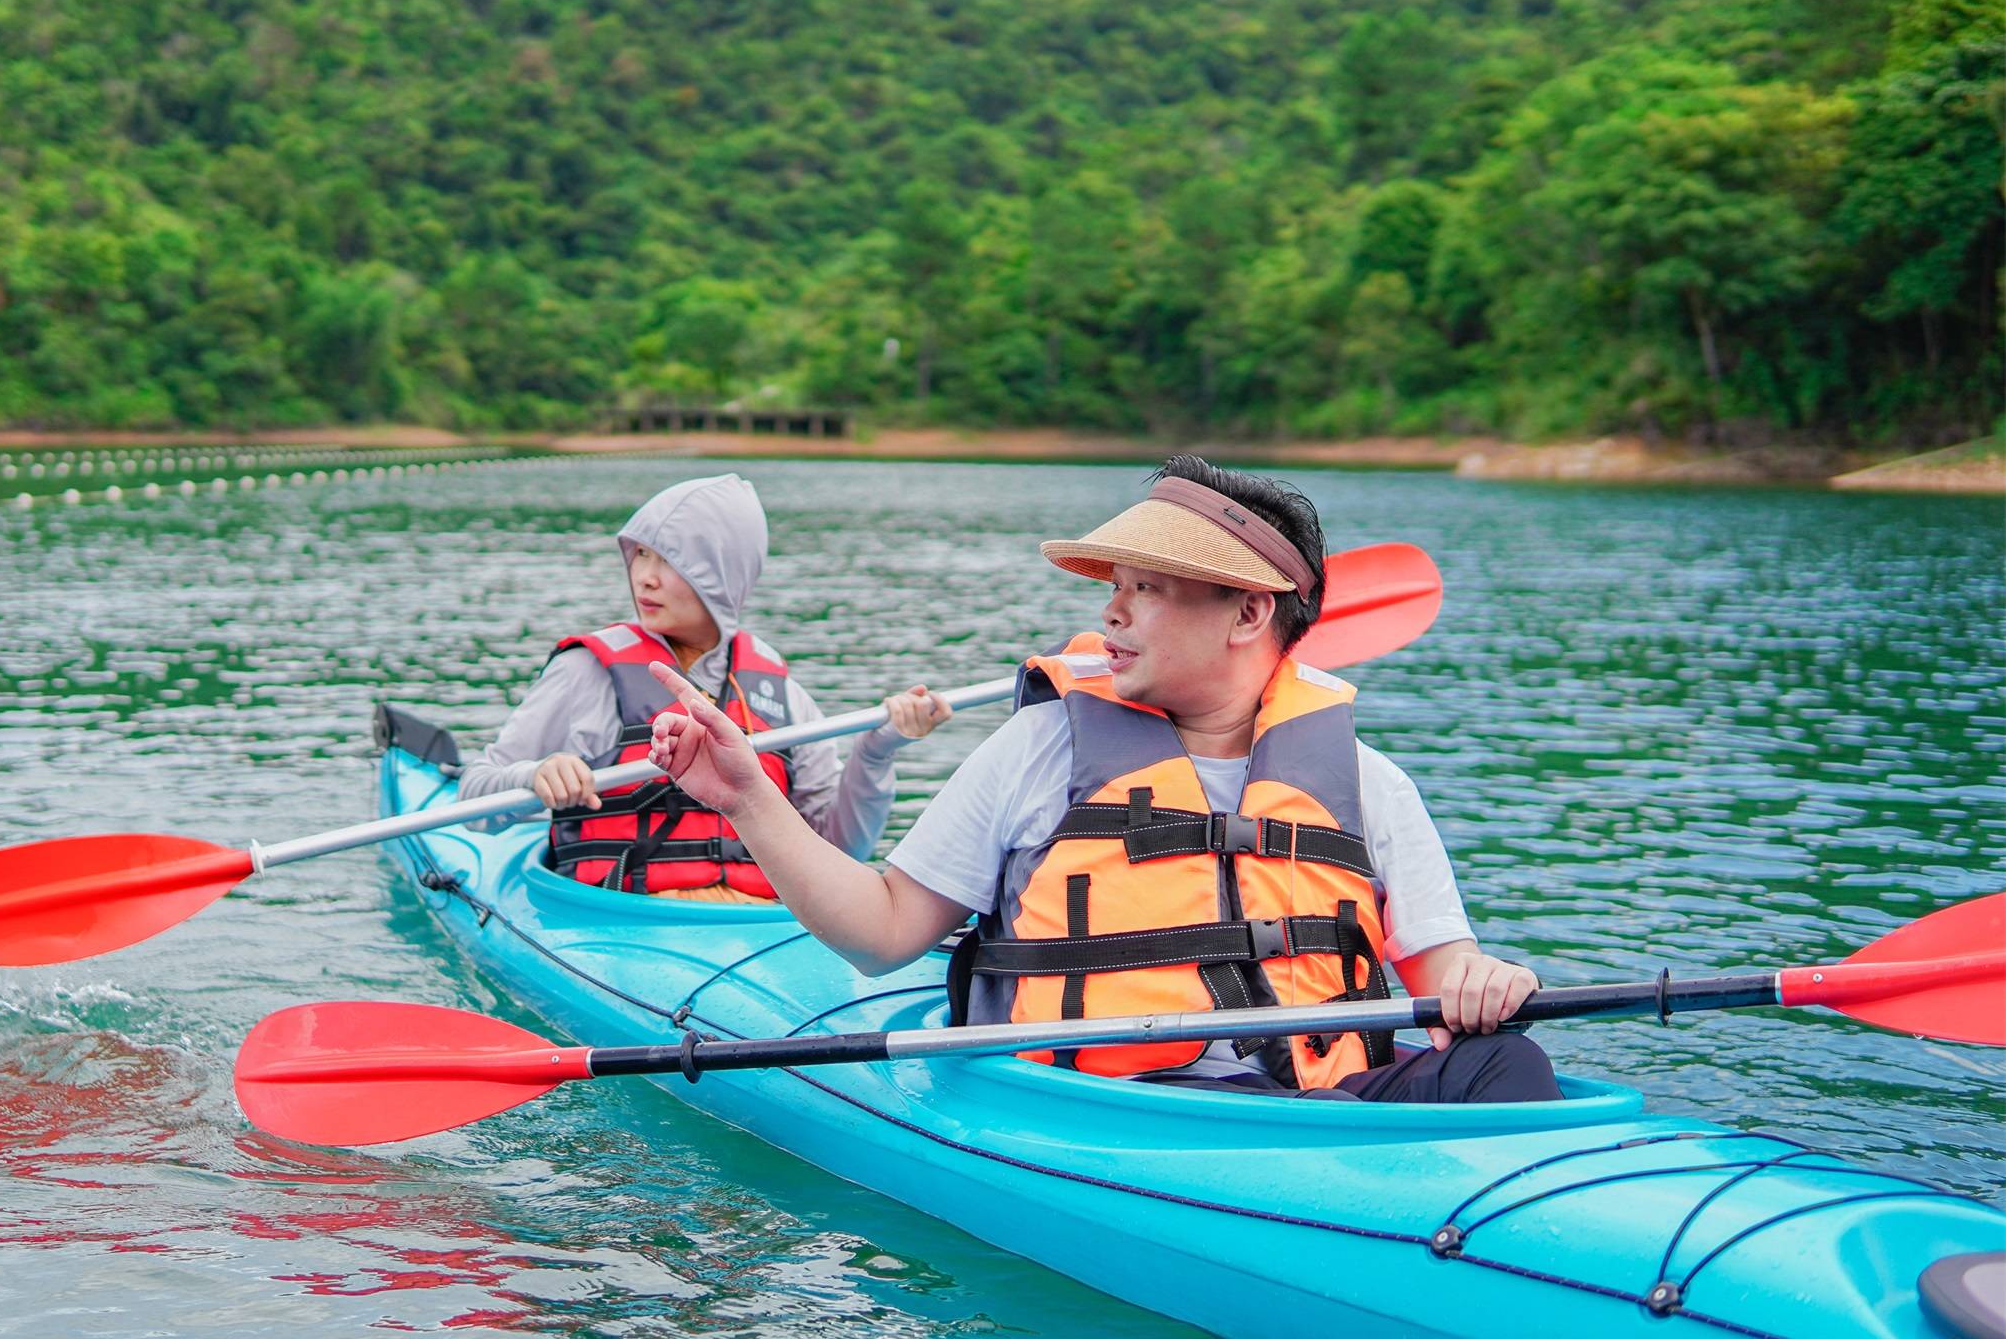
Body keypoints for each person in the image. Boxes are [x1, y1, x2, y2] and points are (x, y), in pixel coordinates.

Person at [637, 456, 1561, 1100]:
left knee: (1505, 1067)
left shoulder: (1368, 782)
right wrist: (747, 796)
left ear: (1248, 613)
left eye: (1145, 588)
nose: (1109, 612)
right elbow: (883, 935)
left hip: (1331, 1100)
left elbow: (1446, 976)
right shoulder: (1039, 751)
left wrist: (1486, 981)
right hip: (1125, 1111)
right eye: (1112, 585)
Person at [460, 472, 952, 904]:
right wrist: (535, 776)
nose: (644, 579)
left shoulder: (781, 694)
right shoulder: (585, 672)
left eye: (669, 562)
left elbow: (838, 850)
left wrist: (876, 752)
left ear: (723, 574)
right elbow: (475, 800)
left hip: (756, 925)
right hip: (622, 921)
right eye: (640, 555)